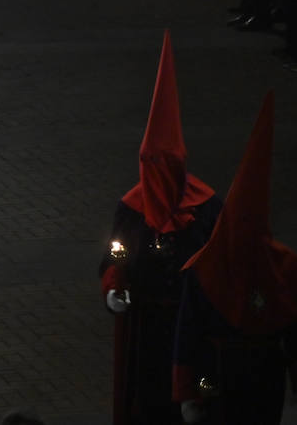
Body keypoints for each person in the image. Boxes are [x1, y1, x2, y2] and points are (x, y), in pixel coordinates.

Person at [98, 31, 220, 425]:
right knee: (149, 405)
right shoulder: (132, 209)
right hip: (147, 330)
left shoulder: (206, 208)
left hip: (194, 333)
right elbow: (115, 256)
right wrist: (114, 288)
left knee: (196, 401)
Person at [173, 93, 297, 425]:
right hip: (216, 377)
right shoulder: (202, 269)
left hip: (265, 378)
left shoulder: (285, 265)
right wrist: (193, 394)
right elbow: (188, 339)